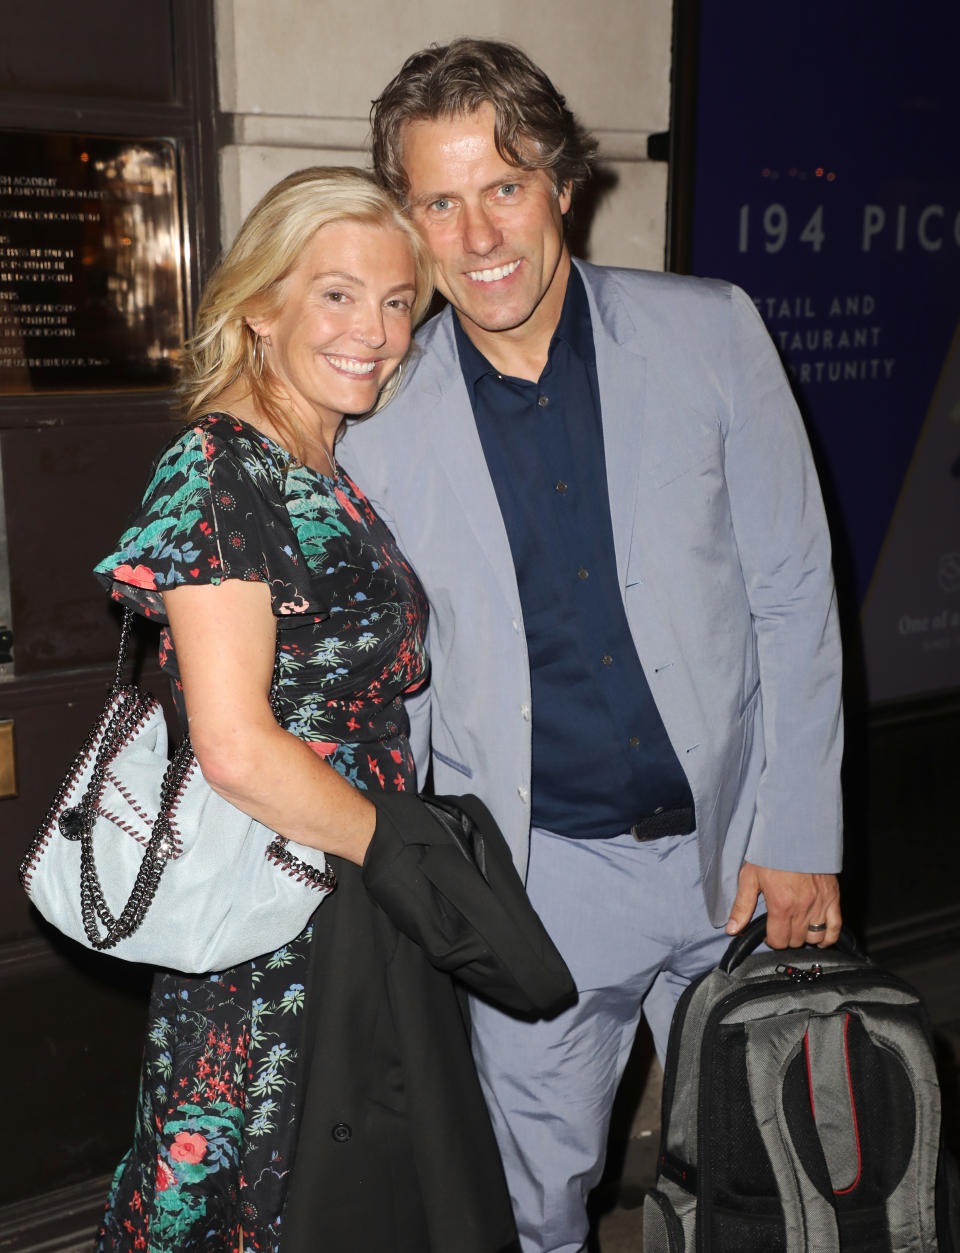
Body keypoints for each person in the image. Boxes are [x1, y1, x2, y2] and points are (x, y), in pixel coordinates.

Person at [338, 38, 845, 1253]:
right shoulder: (373, 423)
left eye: (504, 186)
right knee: (535, 1207)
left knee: (787, 1179)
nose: (479, 236)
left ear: (562, 182)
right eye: (440, 203)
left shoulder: (712, 332)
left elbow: (793, 591)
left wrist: (802, 836)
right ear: (407, 219)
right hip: (534, 885)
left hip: (737, 856)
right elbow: (387, 688)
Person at [91, 167, 519, 1253]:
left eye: (394, 301)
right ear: (258, 304)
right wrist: (408, 855)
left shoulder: (315, 456)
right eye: (336, 294)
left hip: (341, 881)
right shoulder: (219, 470)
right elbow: (234, 746)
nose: (373, 332)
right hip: (277, 910)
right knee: (277, 1196)